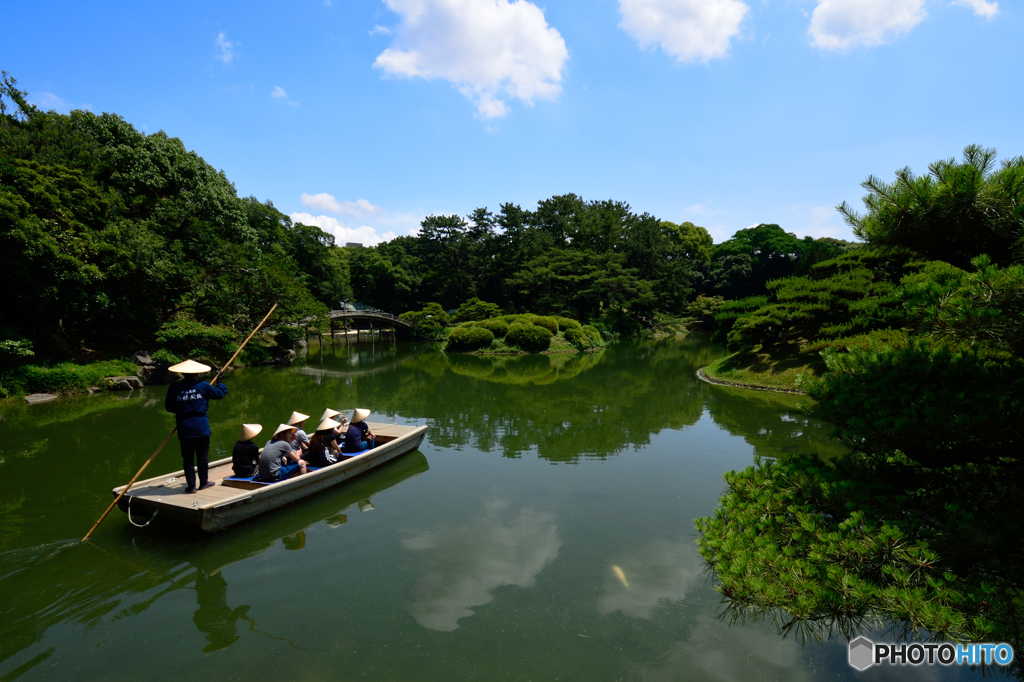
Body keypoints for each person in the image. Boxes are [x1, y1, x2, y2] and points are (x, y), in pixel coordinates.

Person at [164, 359, 229, 493]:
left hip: (184, 426)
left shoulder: (174, 387)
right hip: (201, 427)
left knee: (187, 458)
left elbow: (169, 407)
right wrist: (220, 383)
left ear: (182, 373)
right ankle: (203, 482)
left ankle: (191, 486)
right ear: (197, 374)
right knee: (202, 457)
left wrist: (182, 409)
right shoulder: (203, 386)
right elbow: (219, 394)